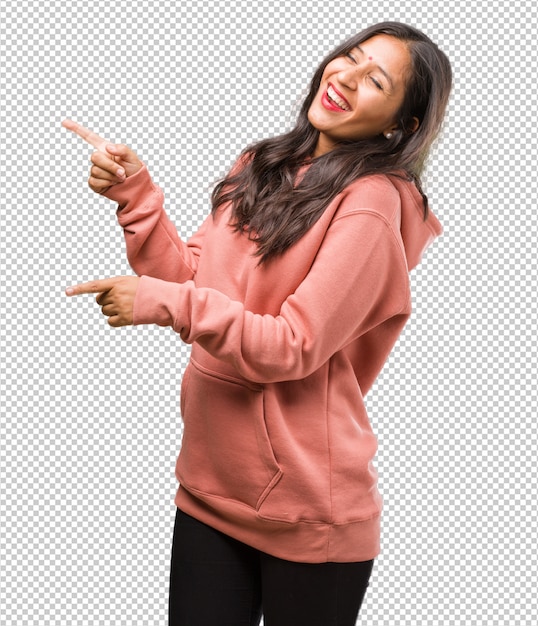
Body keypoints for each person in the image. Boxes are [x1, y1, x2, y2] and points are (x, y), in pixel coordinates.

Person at [64, 21, 452, 626]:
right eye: (348, 57)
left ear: (398, 126)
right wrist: (135, 196)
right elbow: (194, 279)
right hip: (210, 486)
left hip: (307, 510)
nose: (345, 76)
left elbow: (291, 346)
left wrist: (162, 303)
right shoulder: (264, 162)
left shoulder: (372, 204)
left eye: (375, 79)